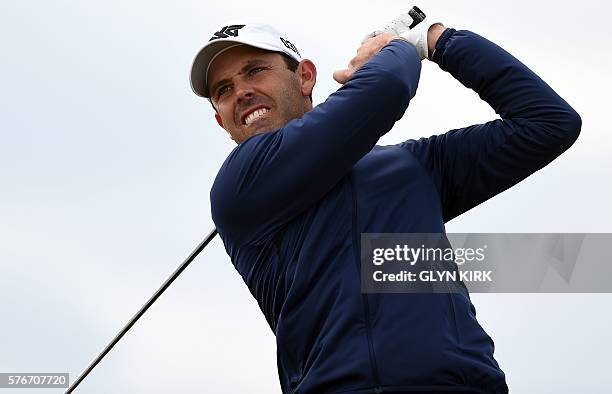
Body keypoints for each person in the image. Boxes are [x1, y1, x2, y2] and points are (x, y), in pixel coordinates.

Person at [190, 8, 580, 394]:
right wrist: (396, 48)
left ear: (305, 77)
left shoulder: (414, 165)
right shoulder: (239, 187)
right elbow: (388, 85)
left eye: (255, 70)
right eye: (223, 91)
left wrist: (439, 41)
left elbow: (548, 123)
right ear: (221, 121)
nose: (240, 92)